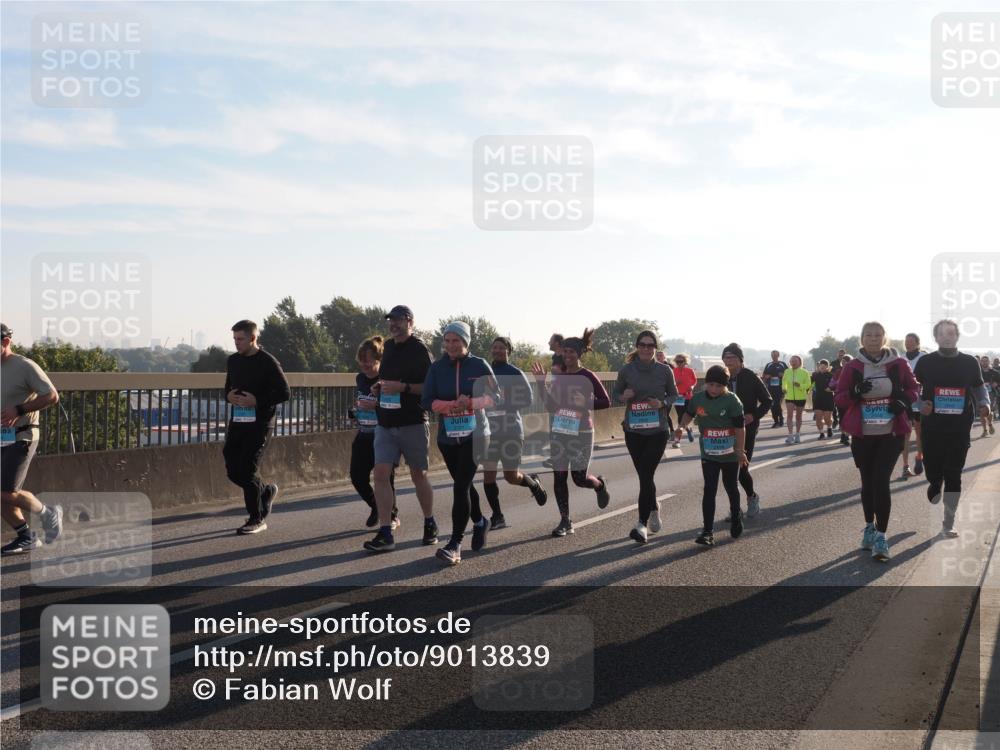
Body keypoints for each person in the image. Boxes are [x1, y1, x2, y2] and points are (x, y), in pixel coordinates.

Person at [834, 321, 919, 561]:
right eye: (869, 335)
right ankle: (869, 527)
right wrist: (855, 392)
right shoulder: (852, 367)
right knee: (867, 483)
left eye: (877, 335)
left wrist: (902, 401)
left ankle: (881, 536)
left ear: (885, 338)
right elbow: (840, 398)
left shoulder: (898, 363)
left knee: (881, 481)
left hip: (891, 433)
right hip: (863, 434)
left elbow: (914, 389)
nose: (873, 338)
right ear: (862, 339)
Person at [422, 321, 499, 565]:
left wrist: (471, 403)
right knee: (462, 485)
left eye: (456, 340)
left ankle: (455, 544)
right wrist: (450, 406)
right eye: (447, 341)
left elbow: (496, 397)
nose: (451, 345)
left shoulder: (479, 365)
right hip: (448, 437)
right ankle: (480, 522)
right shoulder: (437, 368)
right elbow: (426, 401)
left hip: (476, 436)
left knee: (460, 486)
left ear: (465, 342)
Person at [364, 305, 437, 553]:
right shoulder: (388, 347)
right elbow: (387, 380)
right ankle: (386, 532)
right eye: (390, 320)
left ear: (410, 322)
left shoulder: (420, 350)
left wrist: (402, 387)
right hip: (385, 422)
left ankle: (429, 522)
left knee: (418, 475)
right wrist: (379, 387)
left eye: (397, 320)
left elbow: (430, 387)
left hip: (412, 422)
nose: (393, 324)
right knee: (380, 474)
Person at [531, 328, 611, 537]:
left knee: (579, 478)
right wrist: (541, 384)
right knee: (559, 476)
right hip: (560, 431)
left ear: (579, 353)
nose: (567, 356)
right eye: (565, 352)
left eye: (571, 352)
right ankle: (565, 520)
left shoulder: (587, 376)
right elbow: (550, 406)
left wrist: (586, 402)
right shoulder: (559, 376)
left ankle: (599, 484)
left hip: (582, 432)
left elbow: (606, 401)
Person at [915, 320, 991, 537]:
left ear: (957, 336)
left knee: (954, 473)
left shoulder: (969, 362)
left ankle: (948, 522)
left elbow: (979, 387)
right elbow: (912, 389)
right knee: (933, 470)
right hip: (932, 426)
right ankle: (934, 482)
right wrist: (920, 404)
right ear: (935, 337)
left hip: (959, 427)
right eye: (942, 334)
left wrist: (984, 403)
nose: (946, 337)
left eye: (951, 333)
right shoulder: (926, 362)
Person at [222, 320, 290, 535]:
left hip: (260, 424)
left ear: (253, 338)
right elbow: (228, 388)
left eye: (240, 339)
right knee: (233, 469)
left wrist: (257, 401)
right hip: (238, 422)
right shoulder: (233, 361)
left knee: (248, 469)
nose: (236, 343)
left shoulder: (268, 362)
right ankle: (265, 492)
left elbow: (284, 393)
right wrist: (228, 396)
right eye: (234, 339)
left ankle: (256, 518)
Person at [1, 323, 63, 555]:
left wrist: (19, 409)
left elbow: (51, 395)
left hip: (22, 436)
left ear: (6, 342)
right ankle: (25, 536)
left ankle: (48, 513)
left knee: (6, 491)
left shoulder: (24, 366)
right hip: (1, 437)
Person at [614, 331, 678, 544]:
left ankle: (641, 524)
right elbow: (616, 394)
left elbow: (674, 395)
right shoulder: (626, 370)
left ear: (655, 348)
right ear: (637, 346)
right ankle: (654, 507)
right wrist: (623, 396)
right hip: (633, 431)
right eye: (642, 344)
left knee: (646, 474)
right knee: (645, 476)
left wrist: (661, 403)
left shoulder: (664, 370)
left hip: (657, 431)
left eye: (650, 345)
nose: (646, 348)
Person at [674, 365, 748, 547]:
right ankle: (707, 531)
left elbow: (740, 428)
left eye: (719, 386)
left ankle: (736, 516)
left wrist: (740, 451)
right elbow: (688, 414)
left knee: (731, 486)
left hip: (729, 454)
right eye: (711, 384)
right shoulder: (698, 399)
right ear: (706, 383)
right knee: (709, 489)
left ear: (725, 386)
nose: (714, 389)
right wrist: (681, 427)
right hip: (709, 454)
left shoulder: (732, 401)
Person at [481, 337, 547, 530]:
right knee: (488, 475)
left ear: (508, 351)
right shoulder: (484, 371)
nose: (497, 350)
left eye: (501, 348)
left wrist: (504, 403)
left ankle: (533, 483)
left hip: (511, 431)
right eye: (495, 347)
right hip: (489, 432)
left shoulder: (515, 373)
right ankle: (498, 516)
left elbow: (528, 399)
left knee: (511, 476)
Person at [349, 336, 398, 529]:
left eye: (369, 361)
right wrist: (356, 412)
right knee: (357, 476)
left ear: (379, 360)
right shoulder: (360, 378)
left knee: (385, 478)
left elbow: (394, 407)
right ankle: (377, 506)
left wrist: (375, 406)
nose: (365, 365)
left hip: (384, 434)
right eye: (362, 361)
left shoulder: (387, 380)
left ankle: (392, 516)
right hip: (364, 433)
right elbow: (362, 401)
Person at [721, 343, 772, 518]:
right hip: (726, 429)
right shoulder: (722, 377)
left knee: (742, 468)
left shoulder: (750, 376)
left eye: (732, 357)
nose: (728, 361)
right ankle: (735, 509)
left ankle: (752, 497)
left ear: (740, 360)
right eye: (725, 357)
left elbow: (767, 400)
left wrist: (753, 415)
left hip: (746, 428)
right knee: (728, 471)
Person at [901, 333, 927, 478]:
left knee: (919, 431)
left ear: (917, 343)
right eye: (906, 341)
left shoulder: (924, 357)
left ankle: (919, 457)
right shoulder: (901, 358)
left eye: (911, 341)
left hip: (920, 398)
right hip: (905, 399)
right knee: (905, 433)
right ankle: (905, 466)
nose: (908, 343)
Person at [781, 355, 811, 444]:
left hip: (800, 397)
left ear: (800, 362)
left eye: (795, 361)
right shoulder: (787, 371)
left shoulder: (804, 372)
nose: (793, 362)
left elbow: (808, 384)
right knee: (789, 415)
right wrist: (784, 388)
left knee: (798, 416)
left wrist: (800, 385)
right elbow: (784, 381)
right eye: (791, 361)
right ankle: (790, 435)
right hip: (789, 396)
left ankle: (797, 434)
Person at [670, 353, 697, 448]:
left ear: (685, 362)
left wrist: (692, 387)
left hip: (688, 397)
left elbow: (694, 381)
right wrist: (675, 383)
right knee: (681, 417)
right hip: (678, 398)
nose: (679, 363)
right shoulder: (673, 371)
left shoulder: (690, 371)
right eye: (677, 361)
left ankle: (677, 440)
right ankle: (687, 430)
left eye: (681, 361)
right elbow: (670, 384)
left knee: (685, 417)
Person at [810, 360, 836, 440]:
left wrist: (831, 389)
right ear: (819, 367)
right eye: (821, 367)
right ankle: (821, 433)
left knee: (827, 418)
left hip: (828, 398)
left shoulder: (831, 375)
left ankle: (829, 427)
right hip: (817, 398)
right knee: (818, 418)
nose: (822, 368)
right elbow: (808, 383)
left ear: (827, 367)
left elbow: (836, 385)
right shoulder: (815, 375)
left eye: (824, 367)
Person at [762, 351, 789, 427]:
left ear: (778, 355)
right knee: (772, 405)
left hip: (780, 388)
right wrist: (766, 377)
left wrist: (783, 375)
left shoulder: (782, 364)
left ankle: (780, 419)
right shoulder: (768, 365)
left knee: (777, 404)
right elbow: (764, 376)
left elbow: (788, 374)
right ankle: (776, 420)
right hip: (770, 388)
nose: (774, 357)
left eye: (775, 355)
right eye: (772, 355)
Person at [978, 355, 998, 437]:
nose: (984, 362)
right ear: (980, 362)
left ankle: (990, 424)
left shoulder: (994, 372)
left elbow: (998, 381)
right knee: (982, 412)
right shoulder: (978, 371)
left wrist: (996, 384)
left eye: (986, 361)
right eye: (983, 361)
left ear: (989, 362)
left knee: (989, 411)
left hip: (991, 393)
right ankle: (985, 430)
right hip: (980, 393)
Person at [830, 349, 847, 429]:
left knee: (842, 407)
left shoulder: (848, 363)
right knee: (833, 405)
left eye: (842, 355)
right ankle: (835, 420)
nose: (841, 357)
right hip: (834, 387)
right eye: (840, 355)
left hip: (844, 388)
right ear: (837, 355)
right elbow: (830, 374)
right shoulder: (833, 363)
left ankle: (842, 422)